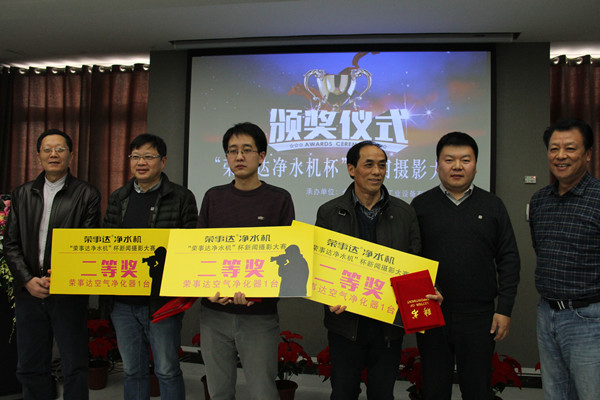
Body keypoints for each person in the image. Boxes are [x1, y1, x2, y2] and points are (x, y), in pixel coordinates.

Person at [315, 140, 440, 400]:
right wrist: (328, 296)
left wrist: (426, 292)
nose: (376, 171)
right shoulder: (329, 212)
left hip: (388, 324)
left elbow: (415, 261)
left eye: (382, 165)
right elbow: (320, 265)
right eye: (369, 165)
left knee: (383, 393)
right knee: (343, 392)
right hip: (345, 323)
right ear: (351, 169)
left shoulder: (404, 213)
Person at [410, 131, 520, 400]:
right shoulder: (420, 205)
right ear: (437, 165)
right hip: (432, 311)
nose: (457, 166)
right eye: (449, 160)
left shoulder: (493, 205)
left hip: (479, 316)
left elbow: (509, 258)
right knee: (434, 388)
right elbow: (411, 258)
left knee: (477, 389)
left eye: (465, 160)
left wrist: (504, 308)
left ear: (476, 165)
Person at [197, 122, 294, 400]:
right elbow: (199, 253)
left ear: (261, 156)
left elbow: (286, 258)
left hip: (258, 315)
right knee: (218, 391)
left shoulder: (279, 199)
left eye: (247, 150)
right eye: (232, 151)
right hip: (214, 312)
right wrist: (208, 291)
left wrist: (258, 291)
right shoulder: (213, 197)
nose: (239, 156)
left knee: (263, 391)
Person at [4, 129, 101, 399]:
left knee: (74, 364)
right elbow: (10, 243)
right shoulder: (22, 193)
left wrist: (62, 277)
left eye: (60, 149)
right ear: (38, 156)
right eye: (47, 150)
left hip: (68, 293)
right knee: (30, 365)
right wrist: (27, 280)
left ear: (71, 155)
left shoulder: (87, 194)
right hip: (29, 293)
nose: (53, 154)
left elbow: (88, 243)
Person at [103, 133, 198, 400]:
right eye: (135, 156)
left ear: (163, 161)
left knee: (167, 370)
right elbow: (106, 245)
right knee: (132, 370)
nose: (141, 162)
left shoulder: (181, 197)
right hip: (123, 302)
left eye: (148, 156)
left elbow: (191, 246)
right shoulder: (119, 197)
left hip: (162, 302)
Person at [529, 118, 600, 400]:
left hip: (588, 317)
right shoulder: (539, 200)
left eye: (570, 148)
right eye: (554, 148)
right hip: (547, 313)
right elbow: (541, 249)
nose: (560, 156)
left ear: (588, 154)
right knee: (555, 393)